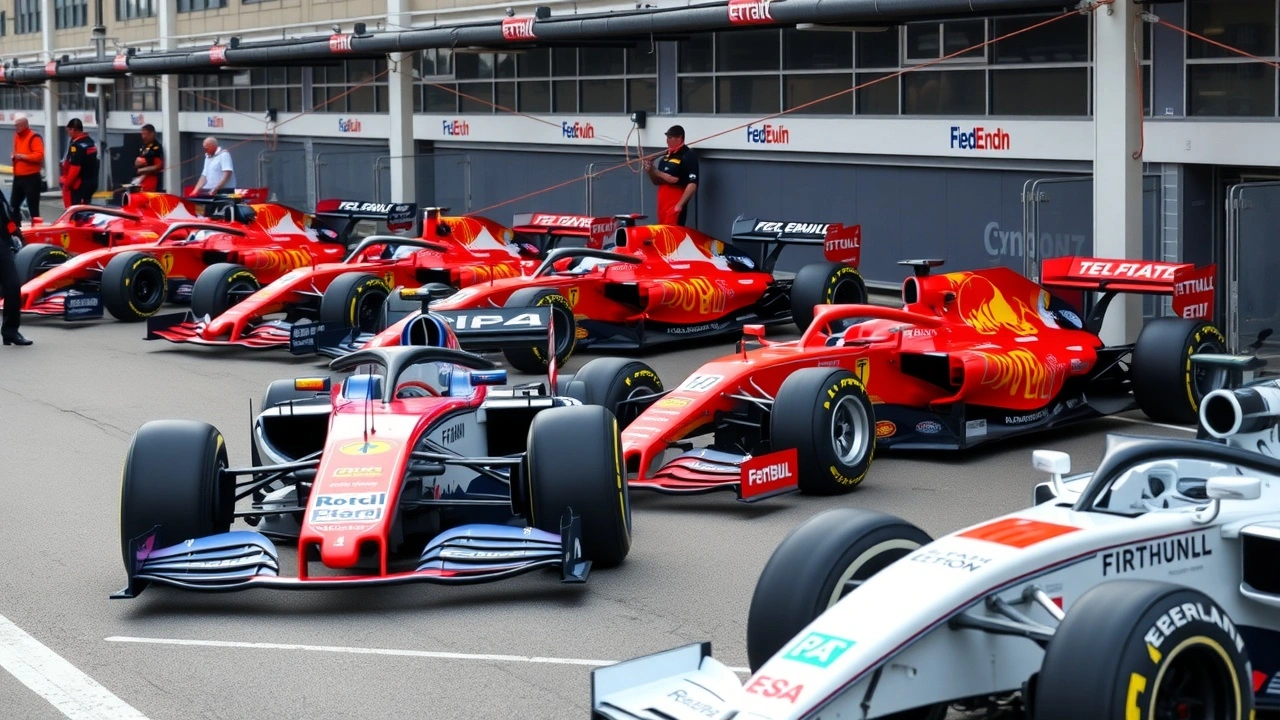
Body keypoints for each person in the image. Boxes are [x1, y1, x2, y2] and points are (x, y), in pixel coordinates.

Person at [644, 125, 699, 227]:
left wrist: (679, 205)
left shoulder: (687, 155)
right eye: (667, 137)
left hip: (675, 202)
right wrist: (651, 171)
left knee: (672, 232)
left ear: (679, 138)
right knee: (662, 230)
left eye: (670, 138)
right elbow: (657, 181)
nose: (667, 141)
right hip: (662, 204)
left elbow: (692, 184)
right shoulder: (665, 157)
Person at [0, 188, 31, 346]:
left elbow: (6, 216)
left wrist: (17, 233)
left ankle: (10, 332)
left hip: (2, 244)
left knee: (12, 285)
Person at [9, 114, 45, 222]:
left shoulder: (34, 137)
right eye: (15, 125)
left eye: (18, 125)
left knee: (33, 208)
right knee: (13, 206)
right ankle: (16, 230)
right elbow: (17, 151)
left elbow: (39, 156)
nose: (16, 128)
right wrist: (14, 156)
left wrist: (22, 157)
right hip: (18, 177)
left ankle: (36, 231)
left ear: (25, 125)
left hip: (31, 178)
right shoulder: (16, 136)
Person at [59, 118, 99, 208]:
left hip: (79, 185)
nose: (68, 133)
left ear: (73, 129)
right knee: (86, 207)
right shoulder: (90, 142)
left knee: (75, 210)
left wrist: (67, 185)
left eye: (68, 130)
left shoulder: (77, 146)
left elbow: (75, 167)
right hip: (91, 182)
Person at [132, 124, 165, 192]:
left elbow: (158, 166)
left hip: (151, 181)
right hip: (140, 180)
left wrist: (141, 170)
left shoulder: (156, 147)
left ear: (152, 134)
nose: (143, 137)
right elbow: (138, 162)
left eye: (145, 134)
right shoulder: (144, 146)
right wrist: (137, 163)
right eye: (142, 134)